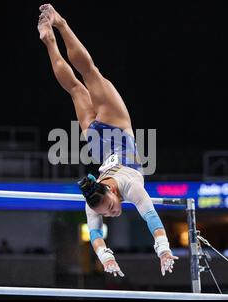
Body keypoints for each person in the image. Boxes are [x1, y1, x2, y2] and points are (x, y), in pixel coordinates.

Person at [38, 4, 178, 277]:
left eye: (112, 207)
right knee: (78, 86)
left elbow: (150, 217)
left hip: (113, 127)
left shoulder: (129, 186)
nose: (113, 212)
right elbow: (95, 232)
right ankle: (49, 40)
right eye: (109, 211)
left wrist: (160, 249)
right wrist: (109, 258)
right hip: (98, 141)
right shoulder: (93, 197)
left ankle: (60, 24)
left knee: (88, 76)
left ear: (112, 192)